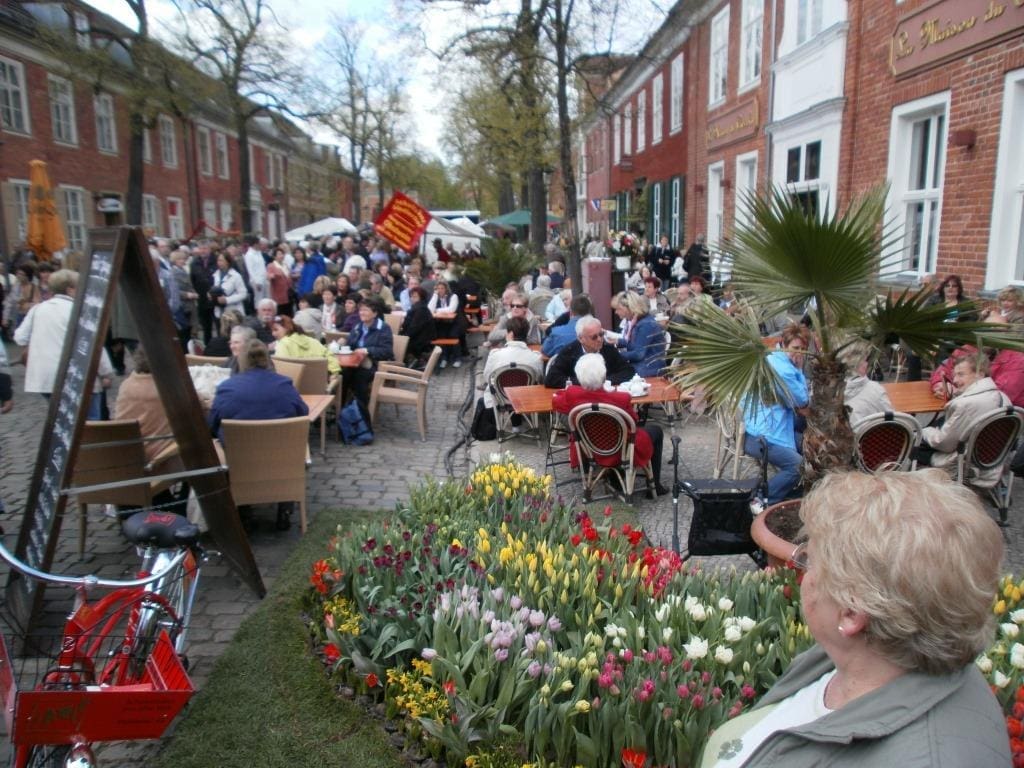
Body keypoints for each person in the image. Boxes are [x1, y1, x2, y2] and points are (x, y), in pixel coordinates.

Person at [702, 469, 1010, 768]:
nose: (802, 573)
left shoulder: (921, 757)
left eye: (810, 560)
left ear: (851, 613)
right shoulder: (871, 658)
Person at [208, 339, 308, 531]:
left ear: (242, 360)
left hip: (239, 460)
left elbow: (211, 424)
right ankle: (285, 507)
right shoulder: (284, 385)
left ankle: (243, 509)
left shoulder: (228, 388)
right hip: (281, 458)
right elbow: (302, 413)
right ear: (267, 359)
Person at [553, 354, 668, 494]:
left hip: (590, 449)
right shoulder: (621, 398)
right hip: (621, 450)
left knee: (620, 432)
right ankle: (654, 486)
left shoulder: (572, 394)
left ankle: (614, 478)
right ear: (604, 376)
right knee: (655, 430)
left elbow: (557, 401)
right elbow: (634, 421)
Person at [14, 269, 113, 420]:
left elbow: (20, 337)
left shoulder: (38, 309)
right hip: (77, 376)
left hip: (47, 377)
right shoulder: (81, 310)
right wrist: (105, 372)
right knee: (90, 421)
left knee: (63, 421)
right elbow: (93, 345)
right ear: (70, 289)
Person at [742, 323, 809, 505]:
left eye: (804, 349)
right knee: (797, 466)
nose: (800, 353)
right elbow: (802, 401)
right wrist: (800, 369)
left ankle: (794, 492)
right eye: (796, 348)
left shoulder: (773, 357)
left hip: (753, 425)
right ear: (784, 344)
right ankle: (761, 501)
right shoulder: (784, 370)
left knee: (808, 442)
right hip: (760, 435)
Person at [918, 354, 1010, 479]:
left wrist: (924, 431)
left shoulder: (966, 404)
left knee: (914, 444)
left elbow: (944, 444)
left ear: (980, 374)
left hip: (964, 464)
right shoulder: (1003, 398)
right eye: (954, 375)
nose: (955, 380)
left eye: (961, 374)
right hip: (992, 463)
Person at [113, 346, 176, 464]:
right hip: (160, 458)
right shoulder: (168, 388)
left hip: (126, 456)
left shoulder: (126, 385)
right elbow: (199, 404)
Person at [544, 315, 635, 388]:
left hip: (605, 398)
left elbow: (628, 371)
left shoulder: (608, 348)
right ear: (580, 338)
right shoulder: (569, 352)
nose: (600, 339)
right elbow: (551, 379)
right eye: (594, 337)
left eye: (601, 334)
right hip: (579, 400)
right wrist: (585, 382)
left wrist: (604, 381)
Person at [480, 315, 543, 412]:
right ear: (526, 334)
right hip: (526, 399)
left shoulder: (495, 355)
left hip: (501, 398)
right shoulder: (536, 357)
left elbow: (487, 377)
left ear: (510, 334)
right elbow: (539, 378)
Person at [343, 296, 394, 405]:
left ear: (375, 314)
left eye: (365, 310)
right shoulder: (358, 327)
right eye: (360, 310)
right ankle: (341, 408)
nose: (362, 313)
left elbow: (387, 351)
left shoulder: (383, 328)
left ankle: (362, 412)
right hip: (355, 363)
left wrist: (367, 350)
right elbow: (350, 346)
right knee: (342, 374)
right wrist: (343, 344)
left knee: (359, 377)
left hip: (374, 364)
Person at [838, 339, 892, 427]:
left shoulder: (824, 392)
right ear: (857, 364)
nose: (867, 364)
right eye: (865, 360)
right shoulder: (875, 390)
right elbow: (893, 420)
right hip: (874, 438)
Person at [612, 292, 667, 377]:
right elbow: (637, 343)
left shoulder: (646, 325)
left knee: (613, 374)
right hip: (644, 366)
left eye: (618, 308)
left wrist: (616, 355)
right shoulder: (640, 321)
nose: (616, 312)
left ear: (629, 308)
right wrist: (617, 341)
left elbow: (638, 354)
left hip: (648, 369)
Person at [271, 314, 341, 376]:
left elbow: (282, 370)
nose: (273, 334)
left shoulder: (282, 344)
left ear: (287, 328)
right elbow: (330, 356)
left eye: (276, 330)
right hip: (319, 387)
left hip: (294, 388)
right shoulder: (313, 341)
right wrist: (334, 372)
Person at [541, 294, 594, 359]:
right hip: (589, 367)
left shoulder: (556, 333)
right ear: (590, 312)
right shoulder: (599, 334)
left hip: (563, 368)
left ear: (570, 312)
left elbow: (545, 351)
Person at [428, 280, 464, 368]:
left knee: (453, 335)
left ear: (446, 289)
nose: (440, 290)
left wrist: (438, 310)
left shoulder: (453, 296)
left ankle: (457, 358)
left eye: (442, 288)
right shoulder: (436, 297)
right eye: (438, 288)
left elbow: (451, 309)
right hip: (441, 322)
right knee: (441, 336)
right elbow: (429, 309)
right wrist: (435, 295)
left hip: (454, 322)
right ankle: (444, 358)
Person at [399, 286, 436, 367]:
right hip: (420, 335)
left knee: (399, 341)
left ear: (421, 297)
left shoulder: (421, 309)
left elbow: (414, 328)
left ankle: (415, 361)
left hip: (422, 338)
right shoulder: (418, 307)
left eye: (415, 296)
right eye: (411, 296)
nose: (412, 298)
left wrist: (404, 336)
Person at [210, 252, 247, 320]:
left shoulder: (236, 276)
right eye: (218, 260)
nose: (219, 262)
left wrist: (227, 300)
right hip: (219, 312)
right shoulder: (215, 275)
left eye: (221, 260)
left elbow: (243, 294)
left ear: (227, 262)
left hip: (233, 313)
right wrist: (211, 295)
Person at [266, 246, 293, 317]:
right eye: (279, 254)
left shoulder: (285, 265)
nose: (281, 256)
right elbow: (269, 276)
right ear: (274, 256)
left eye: (282, 254)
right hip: (278, 295)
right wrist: (274, 275)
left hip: (288, 293)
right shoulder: (271, 266)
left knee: (289, 312)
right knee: (280, 313)